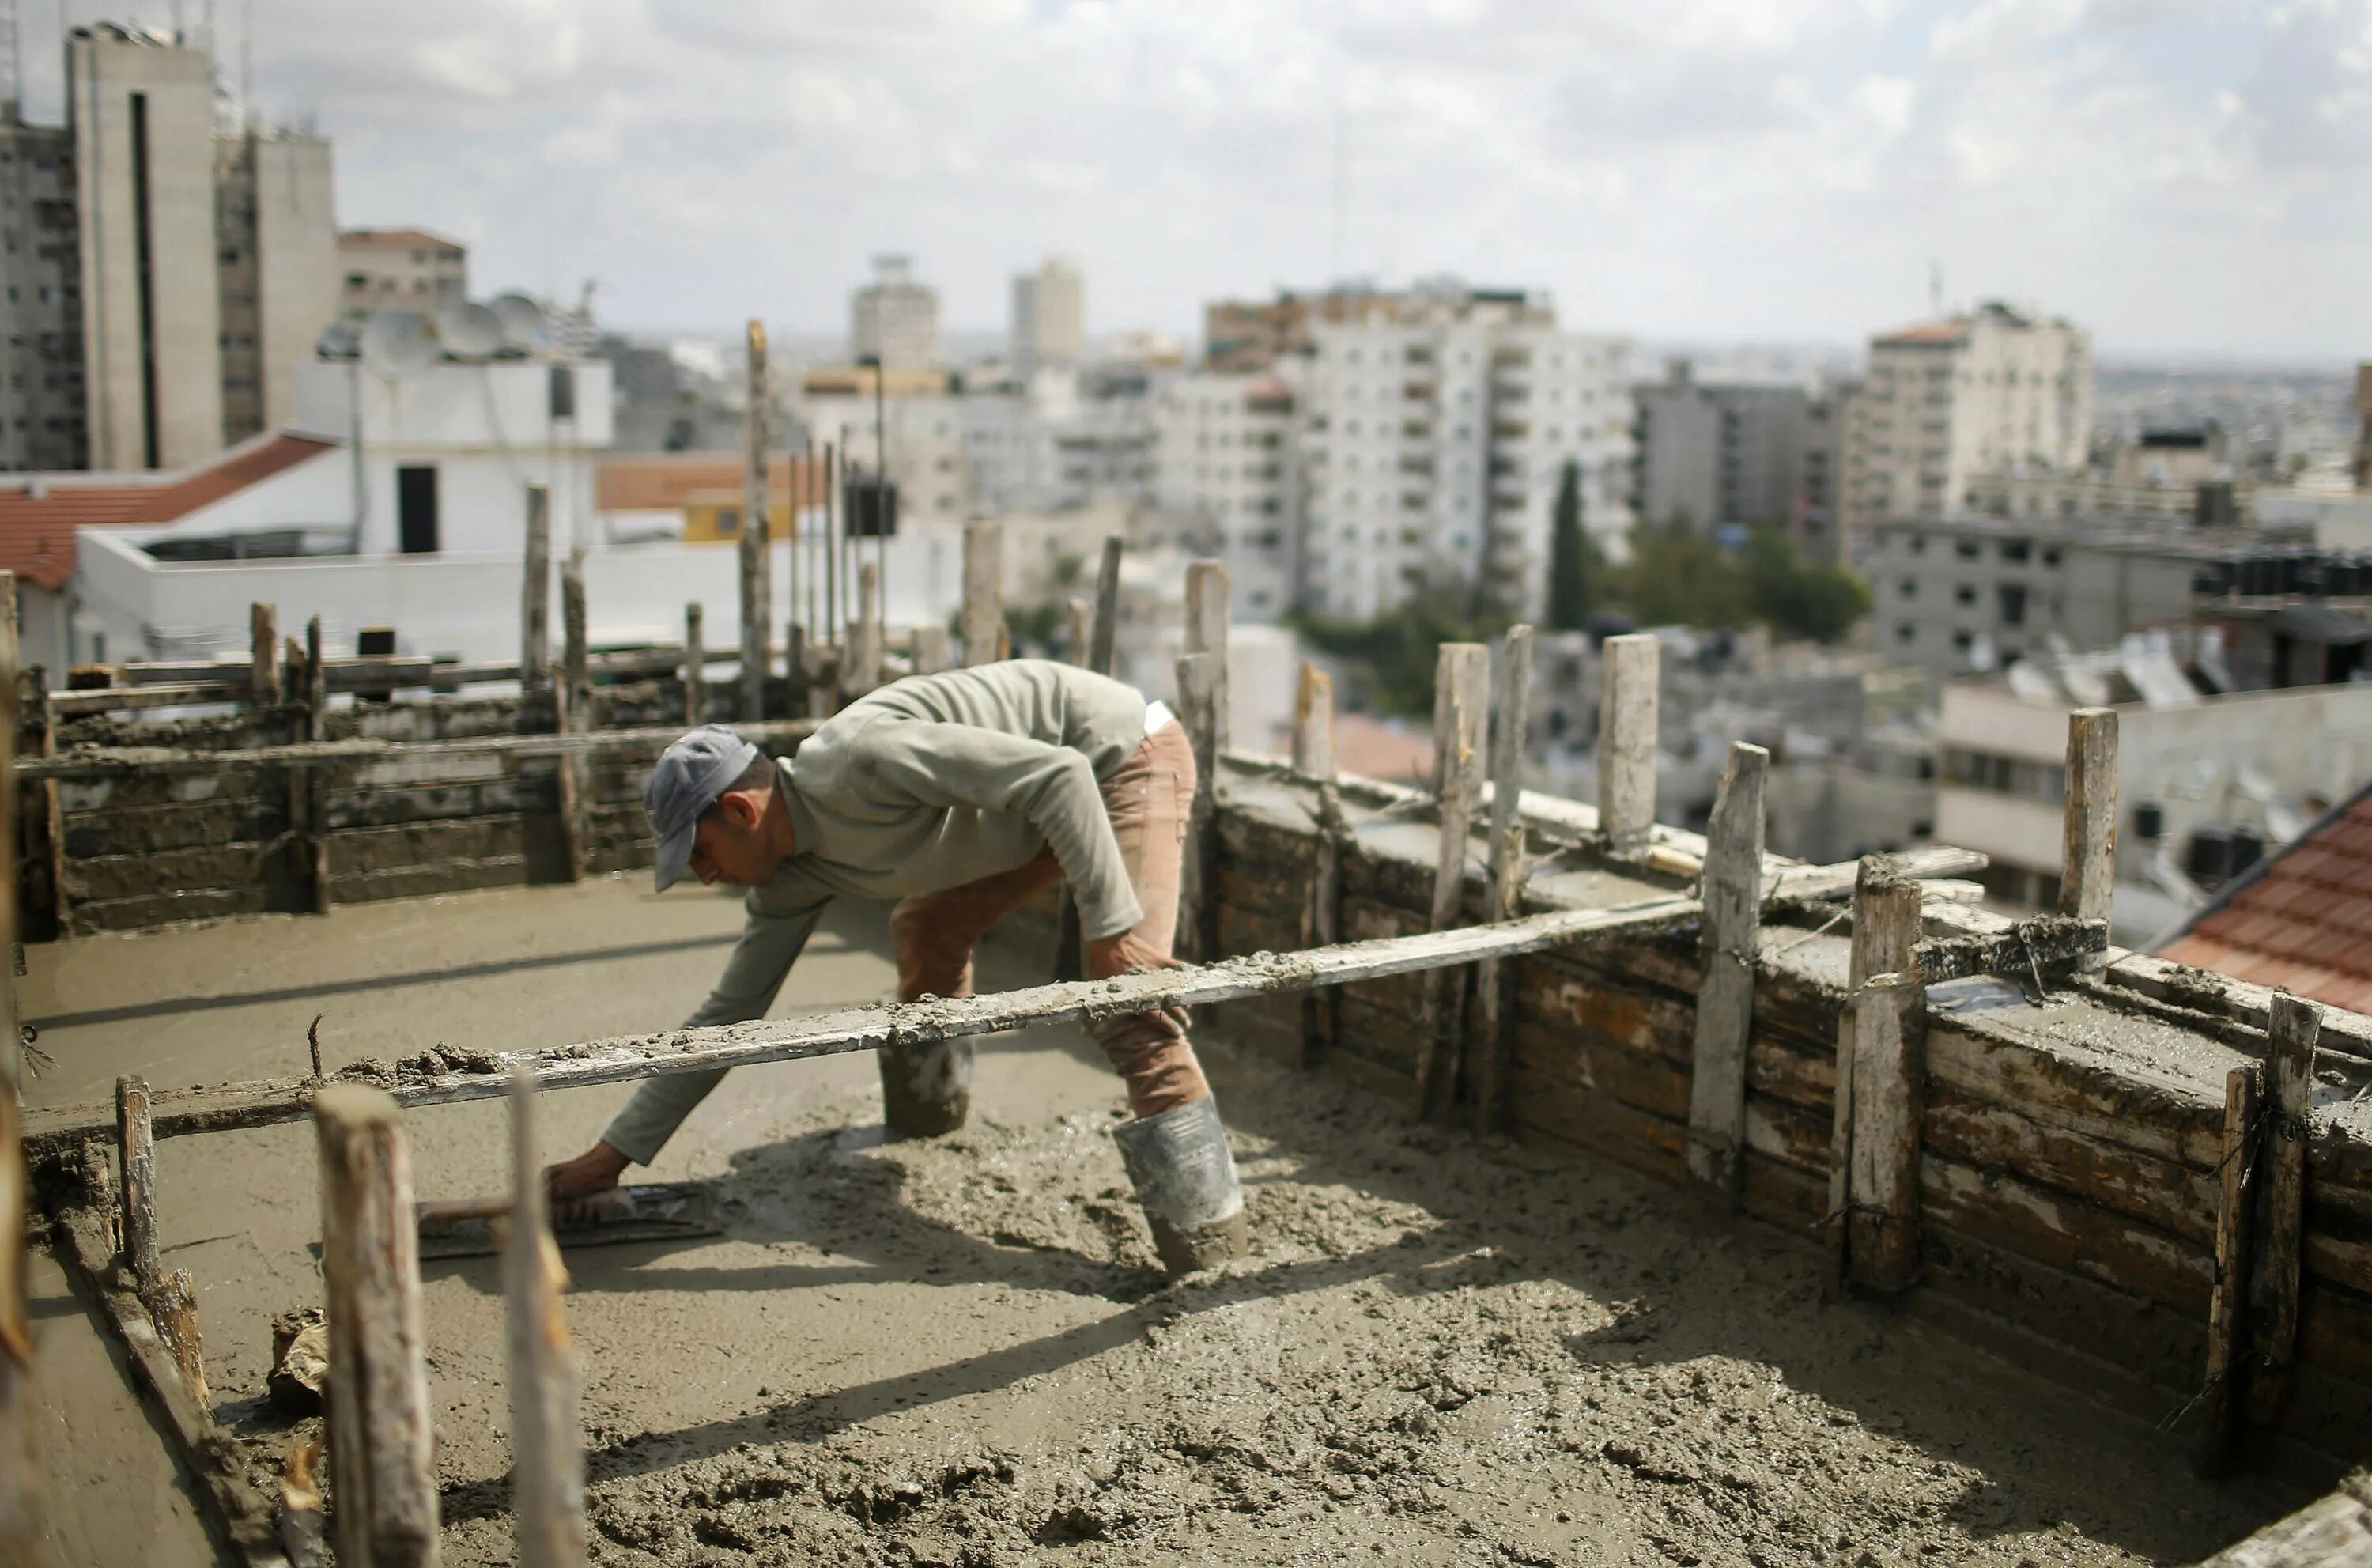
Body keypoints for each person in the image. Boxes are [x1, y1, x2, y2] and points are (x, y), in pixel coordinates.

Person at [542, 658, 1248, 1273]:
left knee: (1127, 999)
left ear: (740, 810)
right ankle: (930, 1114)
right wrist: (612, 1158)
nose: (703, 878)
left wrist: (1114, 933)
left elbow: (1061, 775)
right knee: (927, 925)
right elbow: (727, 1018)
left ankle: (1208, 1242)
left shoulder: (864, 760)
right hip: (1032, 801)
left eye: (701, 855)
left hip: (1118, 756)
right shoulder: (789, 879)